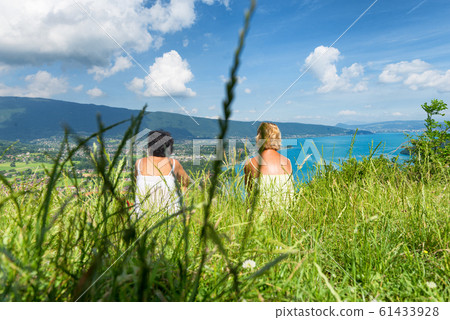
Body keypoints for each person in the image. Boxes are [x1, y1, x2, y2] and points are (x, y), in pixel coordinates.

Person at [134, 130, 190, 217]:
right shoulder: (174, 164)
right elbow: (186, 183)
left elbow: (135, 183)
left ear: (149, 146)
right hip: (170, 217)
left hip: (142, 218)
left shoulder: (139, 163)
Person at [244, 122, 295, 207]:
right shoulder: (288, 162)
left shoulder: (250, 163)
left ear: (259, 138)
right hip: (285, 215)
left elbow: (249, 194)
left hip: (259, 216)